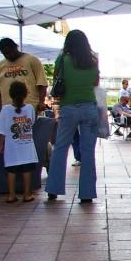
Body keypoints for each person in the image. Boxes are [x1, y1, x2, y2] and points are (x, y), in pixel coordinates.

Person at [45, 29, 100, 203]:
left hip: (68, 107)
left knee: (61, 147)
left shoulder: (62, 60)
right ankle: (87, 193)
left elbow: (56, 81)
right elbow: (95, 83)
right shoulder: (93, 60)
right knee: (88, 151)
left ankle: (53, 189)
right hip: (89, 107)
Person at [0, 81, 38, 203]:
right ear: (25, 94)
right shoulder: (30, 108)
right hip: (27, 146)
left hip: (12, 147)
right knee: (27, 170)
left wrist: (0, 144)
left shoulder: (6, 110)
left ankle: (11, 195)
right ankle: (27, 194)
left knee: (11, 171)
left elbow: (2, 130)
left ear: (10, 94)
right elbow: (32, 123)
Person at [0, 37, 48, 112]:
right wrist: (1, 107)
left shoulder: (32, 60)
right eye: (5, 54)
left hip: (30, 107)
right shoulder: (0, 65)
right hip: (8, 108)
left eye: (10, 52)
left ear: (15, 47)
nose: (9, 55)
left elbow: (42, 83)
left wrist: (41, 102)